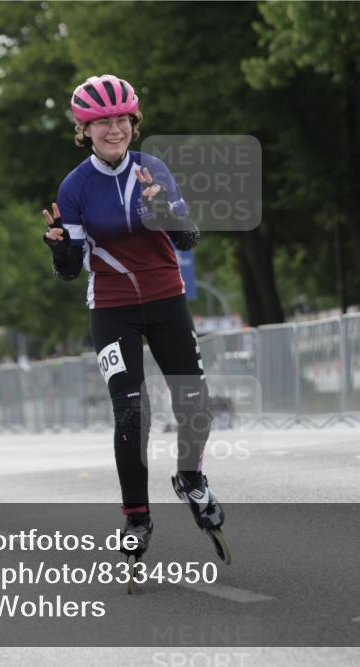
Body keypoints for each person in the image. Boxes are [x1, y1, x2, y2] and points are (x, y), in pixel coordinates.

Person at [42, 74, 229, 565]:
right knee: (131, 413)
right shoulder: (76, 186)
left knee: (196, 405)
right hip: (112, 308)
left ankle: (190, 476)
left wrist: (163, 209)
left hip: (167, 300)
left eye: (122, 119)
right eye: (102, 122)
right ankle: (137, 515)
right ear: (84, 129)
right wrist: (60, 250)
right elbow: (70, 269)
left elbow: (189, 239)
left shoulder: (153, 170)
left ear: (134, 123)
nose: (114, 128)